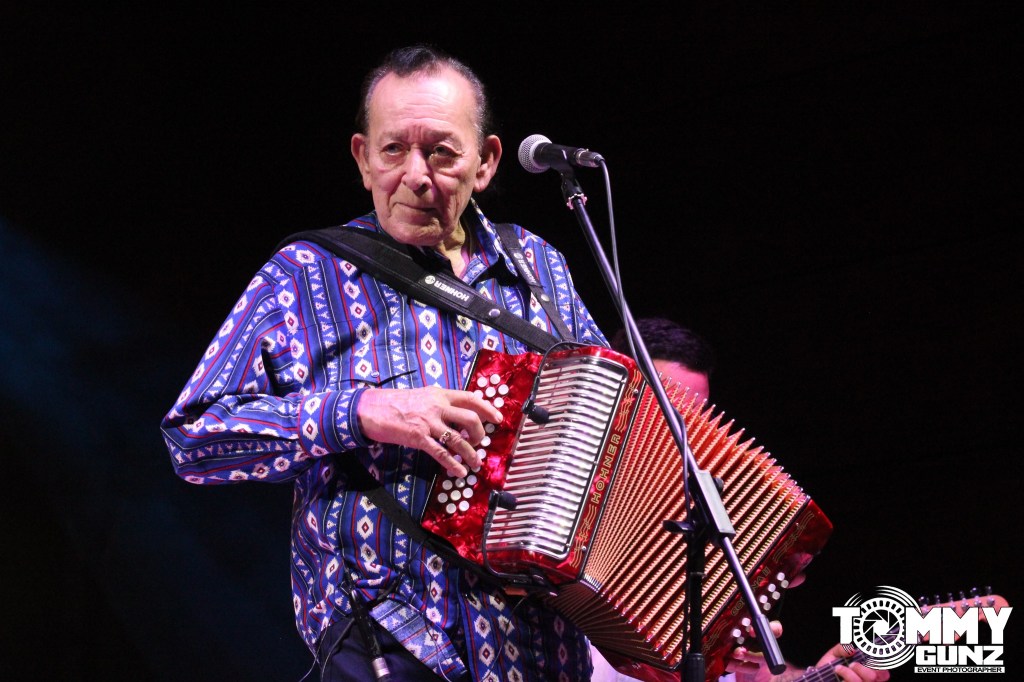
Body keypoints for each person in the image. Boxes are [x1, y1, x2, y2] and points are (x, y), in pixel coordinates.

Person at [160, 44, 607, 681]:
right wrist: (361, 410)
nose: (416, 175)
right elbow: (194, 438)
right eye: (394, 149)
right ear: (363, 159)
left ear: (485, 162)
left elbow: (616, 430)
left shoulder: (538, 266)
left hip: (542, 651)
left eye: (442, 152)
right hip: (391, 636)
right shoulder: (303, 274)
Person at [593, 317, 888, 682]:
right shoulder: (561, 503)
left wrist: (807, 675)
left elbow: (740, 671)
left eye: (697, 415)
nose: (688, 434)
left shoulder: (711, 519)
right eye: (669, 410)